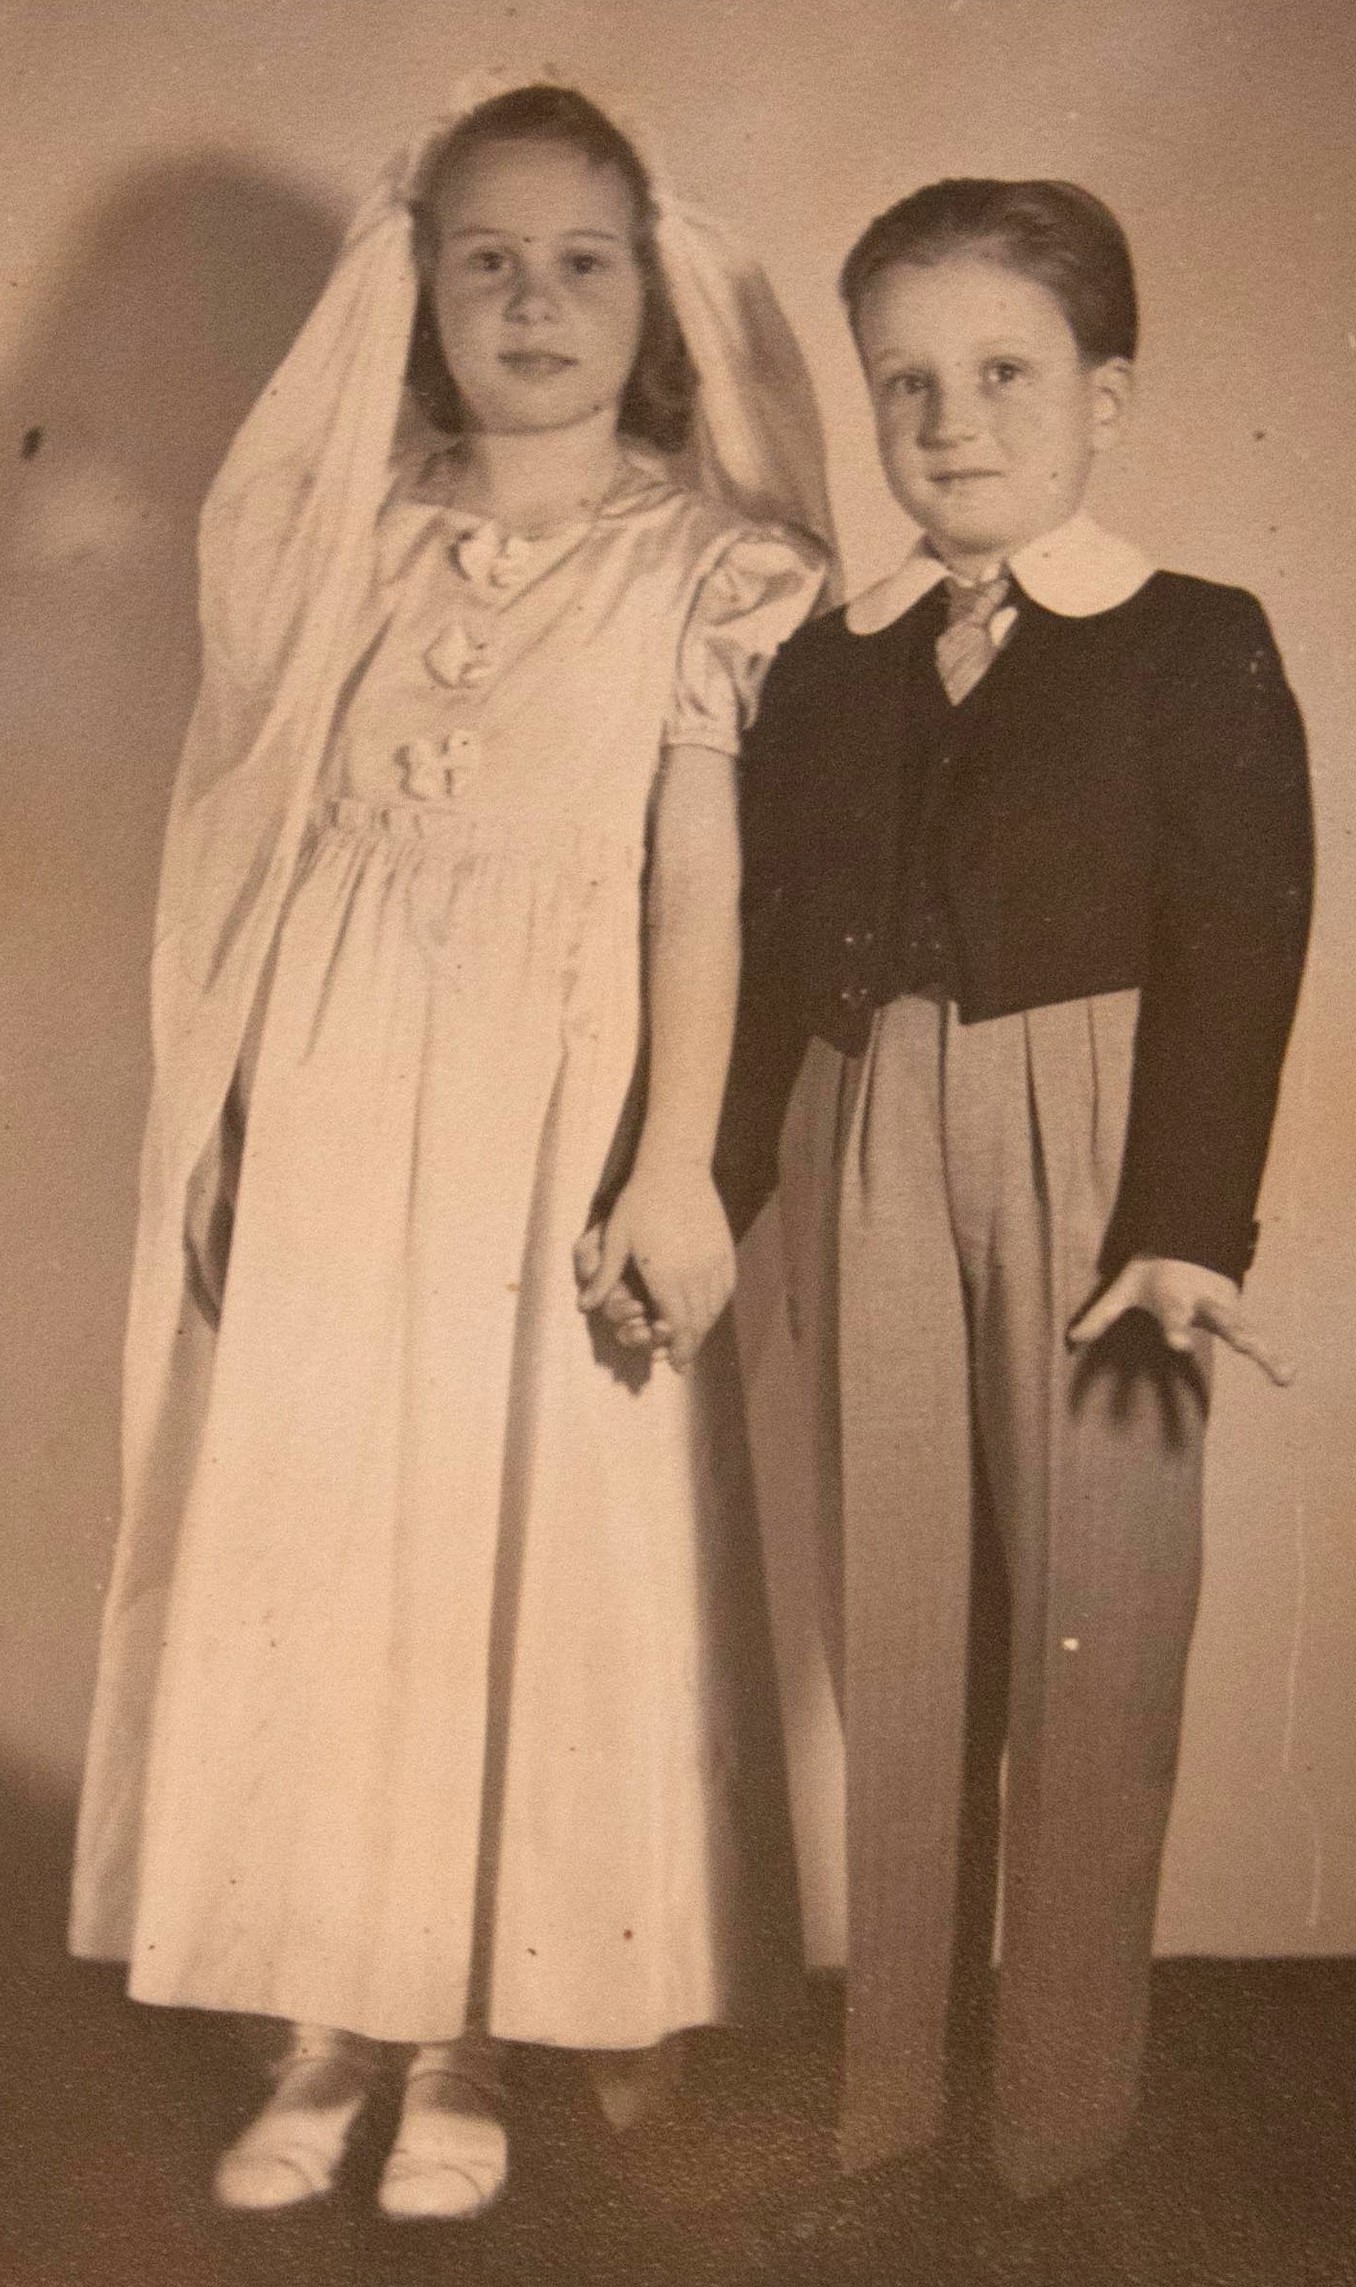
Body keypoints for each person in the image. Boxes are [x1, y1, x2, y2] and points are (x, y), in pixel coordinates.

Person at [69, 79, 831, 2221]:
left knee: (520, 1544)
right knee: (325, 1541)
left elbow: (705, 889)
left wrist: (672, 1165)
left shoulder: (702, 566)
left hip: (555, 1113)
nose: (533, 302)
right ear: (415, 292)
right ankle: (325, 2020)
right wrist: (228, 1119)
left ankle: (466, 2036)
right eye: (484, 260)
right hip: (335, 1094)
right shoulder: (351, 540)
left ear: (653, 297)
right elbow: (267, 846)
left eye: (582, 262)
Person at [717, 177, 1313, 2198]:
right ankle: (892, 2097)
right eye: (905, 384)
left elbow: (1242, 943)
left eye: (1001, 373)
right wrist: (708, 1193)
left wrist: (1188, 1224)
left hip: (1108, 1166)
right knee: (902, 1628)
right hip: (871, 1126)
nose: (949, 422)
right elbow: (767, 955)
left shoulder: (1194, 643)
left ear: (1105, 395)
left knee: (1096, 1631)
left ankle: (1061, 2124)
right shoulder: (829, 666)